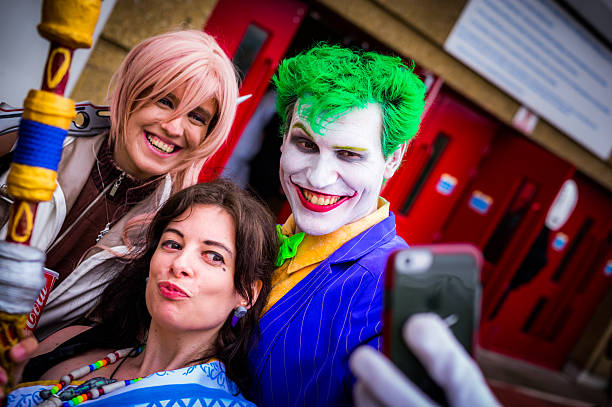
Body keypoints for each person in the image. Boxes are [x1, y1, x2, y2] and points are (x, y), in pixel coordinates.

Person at [0, 30, 239, 339]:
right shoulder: (33, 138)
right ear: (132, 90)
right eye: (164, 101)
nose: (173, 127)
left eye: (196, 117)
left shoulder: (168, 232)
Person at [246, 44, 425, 406]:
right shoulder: (254, 239)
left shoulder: (398, 294)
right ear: (283, 141)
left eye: (348, 154)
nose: (319, 177)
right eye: (306, 143)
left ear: (392, 159)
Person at [0, 179, 278, 406]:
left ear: (247, 293)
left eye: (213, 256)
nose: (180, 264)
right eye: (172, 244)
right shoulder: (71, 339)